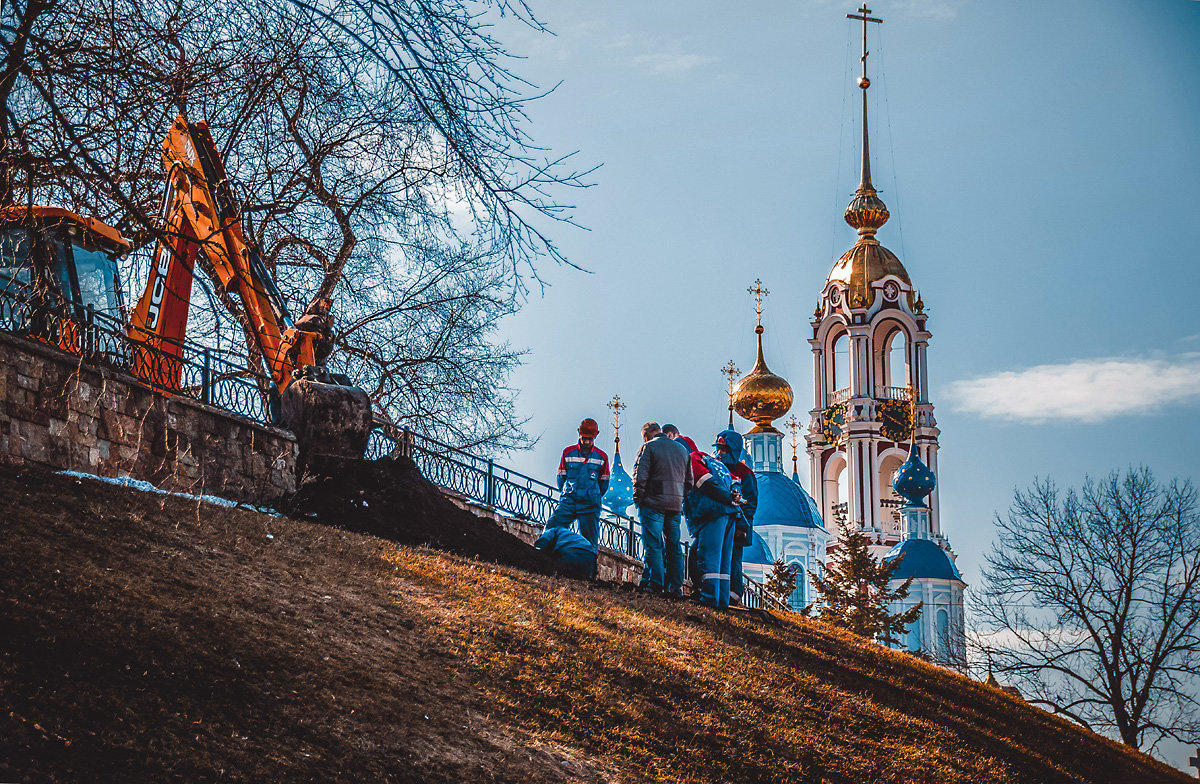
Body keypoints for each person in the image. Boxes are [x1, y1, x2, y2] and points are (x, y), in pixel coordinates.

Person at [632, 421, 692, 596]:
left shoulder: (648, 447)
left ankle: (656, 583)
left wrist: (639, 500)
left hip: (653, 503)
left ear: (646, 436)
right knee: (674, 546)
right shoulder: (682, 450)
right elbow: (689, 482)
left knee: (654, 545)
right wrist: (680, 498)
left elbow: (640, 477)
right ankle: (676, 587)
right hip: (675, 507)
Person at [679, 434, 738, 608]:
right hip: (730, 514)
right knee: (723, 561)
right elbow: (735, 481)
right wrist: (733, 496)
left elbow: (705, 482)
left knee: (709, 557)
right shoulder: (714, 461)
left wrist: (727, 497)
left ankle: (709, 598)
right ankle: (722, 600)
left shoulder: (692, 459)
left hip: (712, 513)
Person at [546, 418, 610, 575]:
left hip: (590, 504)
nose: (587, 441)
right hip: (569, 500)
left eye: (590, 438)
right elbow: (561, 477)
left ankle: (589, 573)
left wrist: (592, 495)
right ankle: (545, 560)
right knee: (552, 527)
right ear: (579, 434)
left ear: (596, 436)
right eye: (585, 438)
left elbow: (604, 483)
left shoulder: (602, 457)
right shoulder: (568, 453)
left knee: (590, 540)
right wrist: (568, 492)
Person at [714, 429, 758, 606]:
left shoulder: (745, 473)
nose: (720, 453)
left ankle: (734, 591)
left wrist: (742, 518)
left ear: (733, 450)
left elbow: (751, 501)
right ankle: (716, 587)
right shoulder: (717, 467)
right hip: (718, 520)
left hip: (737, 523)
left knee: (733, 558)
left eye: (723, 449)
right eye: (719, 449)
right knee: (716, 555)